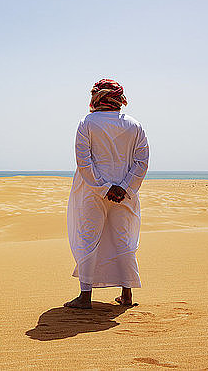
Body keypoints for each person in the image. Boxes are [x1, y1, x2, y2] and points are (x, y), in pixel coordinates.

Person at [64, 78, 149, 309]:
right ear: (119, 98)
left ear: (96, 97)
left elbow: (84, 162)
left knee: (88, 239)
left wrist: (103, 188)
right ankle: (127, 294)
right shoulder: (135, 125)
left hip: (92, 194)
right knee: (125, 241)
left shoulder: (86, 123)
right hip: (124, 195)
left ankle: (85, 297)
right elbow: (141, 163)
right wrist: (124, 188)